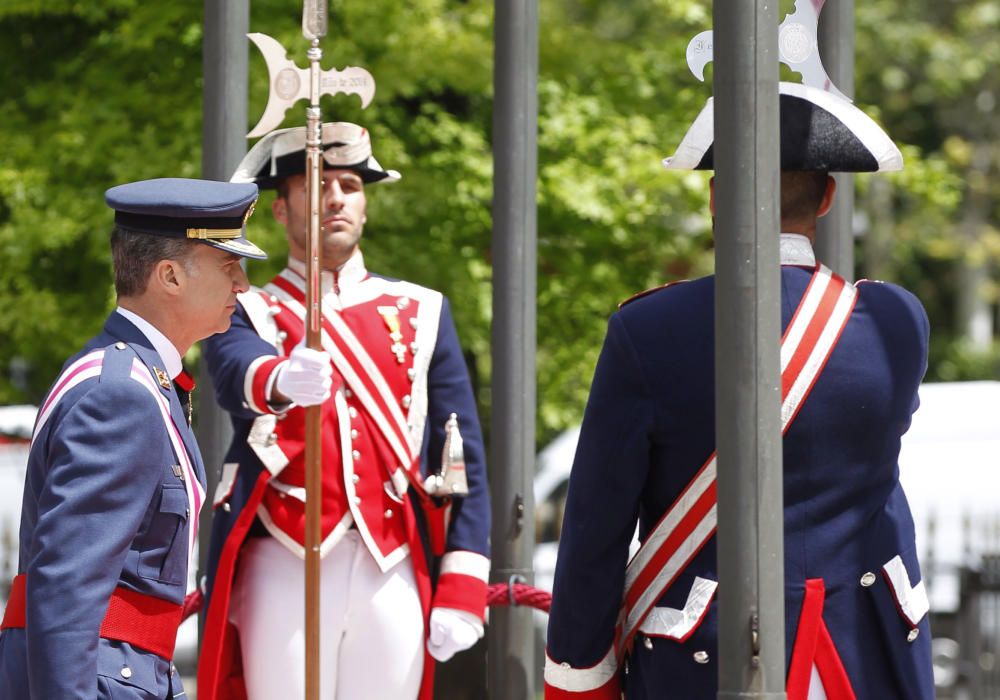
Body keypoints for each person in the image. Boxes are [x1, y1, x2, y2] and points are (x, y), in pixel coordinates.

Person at [544, 82, 935, 699]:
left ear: (714, 197)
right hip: (859, 654)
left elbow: (598, 518)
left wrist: (576, 672)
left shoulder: (647, 330)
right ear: (828, 197)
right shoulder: (895, 320)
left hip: (702, 654)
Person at [197, 122, 491, 700]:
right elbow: (234, 370)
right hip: (283, 557)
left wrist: (463, 579)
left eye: (351, 185)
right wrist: (279, 376)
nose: (335, 198)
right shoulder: (249, 308)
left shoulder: (421, 310)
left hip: (393, 557)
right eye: (316, 183)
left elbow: (460, 455)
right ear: (279, 210)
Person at [0, 177, 266, 699]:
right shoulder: (121, 396)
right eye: (228, 265)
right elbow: (66, 586)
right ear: (169, 275)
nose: (243, 285)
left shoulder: (135, 380)